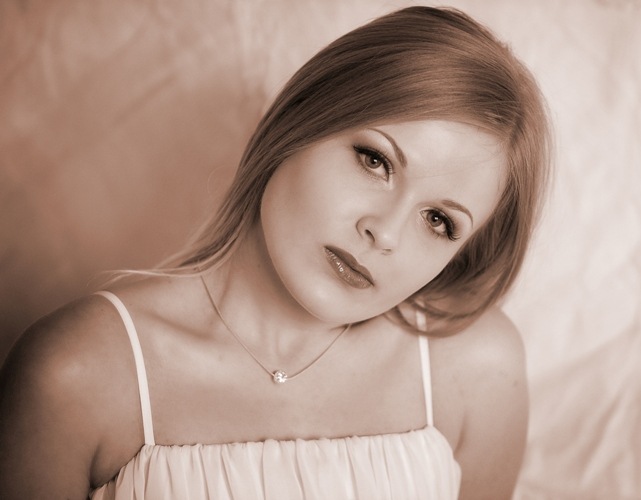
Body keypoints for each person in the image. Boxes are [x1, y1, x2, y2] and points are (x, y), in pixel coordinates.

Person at [0, 6, 550, 499]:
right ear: (301, 119)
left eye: (439, 221)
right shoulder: (75, 374)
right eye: (375, 160)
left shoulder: (479, 370)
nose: (384, 233)